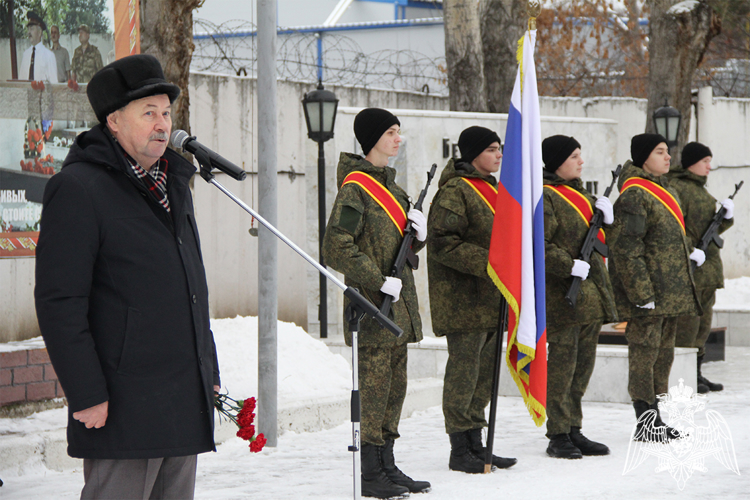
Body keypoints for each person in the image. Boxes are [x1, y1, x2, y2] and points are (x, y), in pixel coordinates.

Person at [34, 54, 220, 499]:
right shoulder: (79, 188)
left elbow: (192, 285)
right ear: (114, 122)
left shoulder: (174, 182)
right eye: (148, 112)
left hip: (181, 399)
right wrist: (85, 392)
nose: (162, 123)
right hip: (122, 404)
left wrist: (207, 367)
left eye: (166, 112)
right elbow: (60, 302)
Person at [322, 108, 431, 498]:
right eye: (390, 132)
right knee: (374, 390)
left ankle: (387, 463)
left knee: (394, 389)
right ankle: (370, 472)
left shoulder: (394, 188)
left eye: (399, 131)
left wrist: (418, 236)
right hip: (372, 307)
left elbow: (397, 244)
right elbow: (336, 246)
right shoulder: (356, 188)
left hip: (397, 307)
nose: (398, 138)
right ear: (371, 139)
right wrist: (377, 279)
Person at [426, 126, 517, 473]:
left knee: (484, 376)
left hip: (493, 300)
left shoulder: (492, 189)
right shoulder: (455, 192)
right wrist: (491, 262)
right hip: (464, 301)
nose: (498, 155)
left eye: (499, 149)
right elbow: (442, 242)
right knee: (464, 375)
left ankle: (477, 444)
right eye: (492, 149)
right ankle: (459, 448)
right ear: (473, 153)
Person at [609, 133, 701, 440]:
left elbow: (667, 239)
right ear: (643, 157)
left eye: (667, 152)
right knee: (644, 357)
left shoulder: (667, 191)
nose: (668, 157)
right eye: (660, 152)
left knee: (663, 357)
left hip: (670, 295)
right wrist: (641, 293)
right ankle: (645, 421)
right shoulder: (635, 195)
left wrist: (691, 249)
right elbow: (627, 249)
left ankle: (658, 418)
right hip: (649, 296)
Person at [541, 135, 617, 458]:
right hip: (562, 299)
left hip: (589, 300)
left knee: (582, 368)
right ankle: (557, 433)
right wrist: (566, 264)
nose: (580, 161)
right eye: (574, 156)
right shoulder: (546, 198)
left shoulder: (582, 196)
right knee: (561, 368)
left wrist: (608, 223)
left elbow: (601, 244)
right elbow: (539, 247)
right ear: (557, 161)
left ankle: (574, 427)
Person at [669, 142, 734, 393]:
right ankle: (684, 377)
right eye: (705, 161)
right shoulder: (679, 189)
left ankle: (696, 372)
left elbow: (710, 231)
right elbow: (676, 230)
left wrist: (725, 218)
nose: (709, 166)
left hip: (707, 271)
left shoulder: (701, 191)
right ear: (691, 163)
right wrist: (689, 250)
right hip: (691, 270)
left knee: (702, 326)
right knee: (687, 327)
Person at [19, 12, 59, 83]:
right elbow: (21, 80)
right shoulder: (26, 55)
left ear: (40, 32)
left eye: (32, 29)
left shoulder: (49, 55)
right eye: (28, 29)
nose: (29, 32)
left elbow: (54, 83)